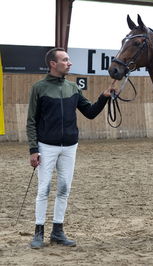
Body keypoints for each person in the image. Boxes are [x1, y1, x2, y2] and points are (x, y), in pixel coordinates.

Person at [26, 47, 116, 249]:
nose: (70, 63)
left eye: (68, 59)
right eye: (65, 60)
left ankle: (57, 232)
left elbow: (90, 112)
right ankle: (38, 232)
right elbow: (31, 121)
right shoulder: (39, 88)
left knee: (64, 190)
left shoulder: (73, 88)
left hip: (69, 147)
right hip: (46, 146)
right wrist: (33, 149)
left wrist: (104, 97)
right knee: (44, 189)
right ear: (53, 64)